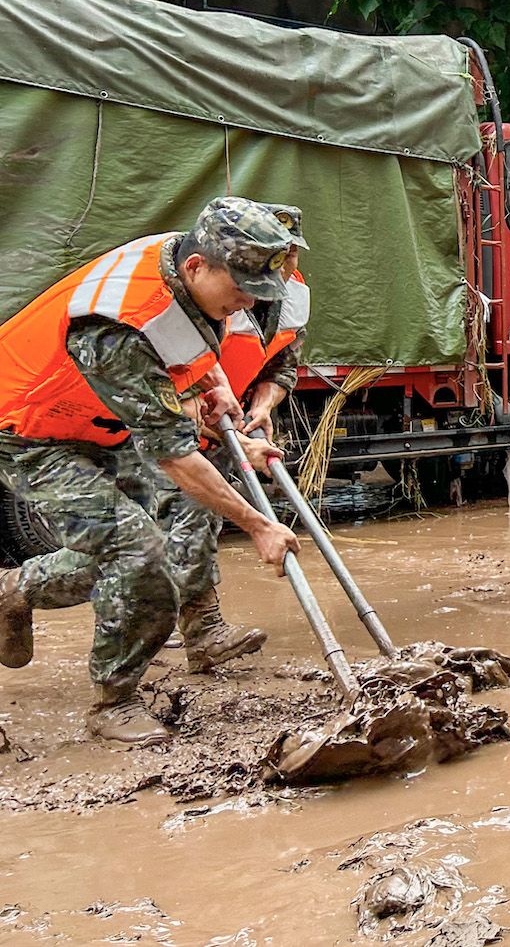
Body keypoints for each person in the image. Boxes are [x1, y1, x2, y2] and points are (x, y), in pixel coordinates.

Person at [0, 198, 301, 744]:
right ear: (197, 267)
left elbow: (183, 359)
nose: (244, 305)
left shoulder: (186, 264)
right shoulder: (118, 323)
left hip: (100, 418)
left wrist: (217, 398)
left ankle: (21, 590)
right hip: (26, 428)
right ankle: (113, 702)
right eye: (238, 291)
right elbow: (172, 451)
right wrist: (259, 525)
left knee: (184, 514)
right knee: (137, 550)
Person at [150, 200, 312, 675]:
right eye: (274, 255)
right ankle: (154, 630)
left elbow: (283, 365)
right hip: (176, 416)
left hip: (228, 419)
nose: (282, 267)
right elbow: (172, 366)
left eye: (290, 256)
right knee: (150, 535)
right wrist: (198, 416)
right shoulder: (208, 289)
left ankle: (201, 634)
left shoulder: (293, 296)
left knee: (198, 524)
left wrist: (261, 409)